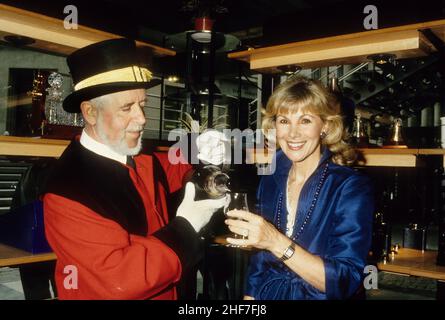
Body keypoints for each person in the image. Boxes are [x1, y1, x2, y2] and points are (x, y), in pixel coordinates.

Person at [43, 38, 228, 300]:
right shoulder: (68, 192)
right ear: (90, 113)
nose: (141, 119)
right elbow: (121, 279)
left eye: (142, 104)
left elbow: (172, 166)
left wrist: (201, 149)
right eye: (127, 108)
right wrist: (186, 227)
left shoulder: (135, 154)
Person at [225, 76, 374, 300]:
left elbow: (345, 280)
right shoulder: (271, 178)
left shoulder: (349, 186)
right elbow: (260, 262)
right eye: (284, 121)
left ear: (325, 126)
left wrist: (275, 241)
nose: (293, 134)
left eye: (305, 120)